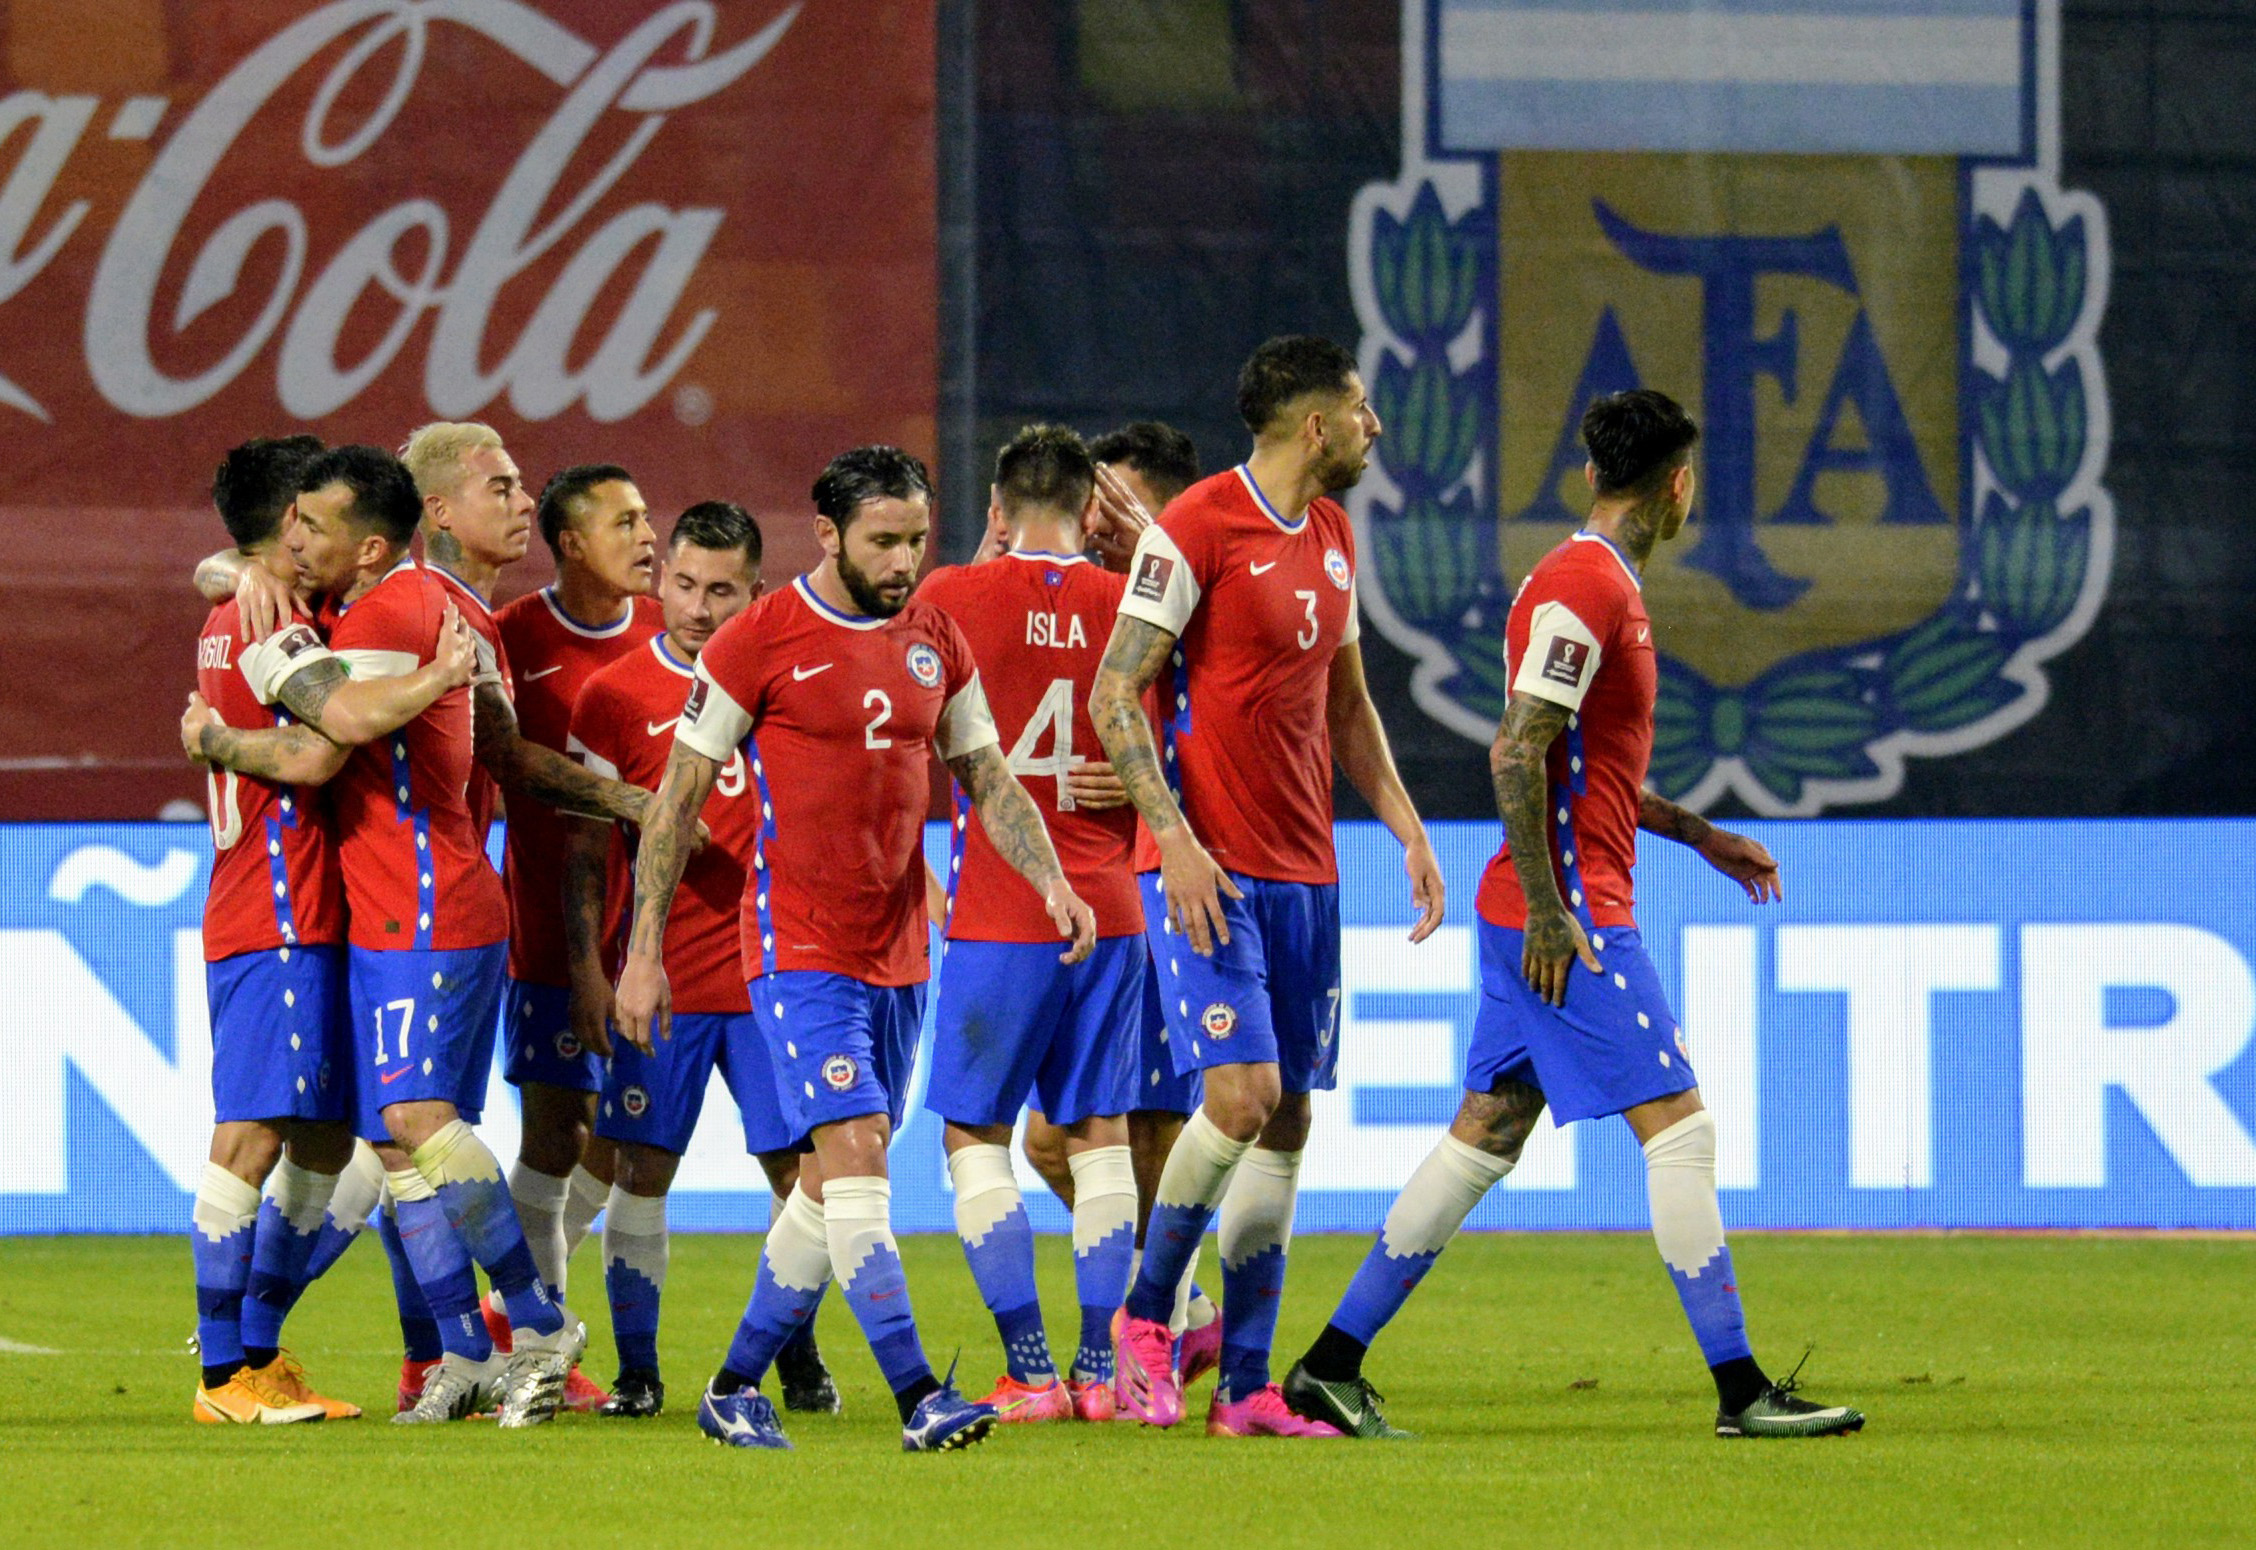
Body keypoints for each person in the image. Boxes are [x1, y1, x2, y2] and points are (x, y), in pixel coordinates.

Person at [1281, 390, 1866, 1441]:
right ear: (1676, 486)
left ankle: (1328, 1364)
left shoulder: (1596, 585)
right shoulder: (1586, 588)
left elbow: (1578, 766)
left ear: (1596, 472)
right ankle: (1742, 1391)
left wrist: (1700, 834)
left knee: (1488, 1132)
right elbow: (1515, 748)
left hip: (1540, 905)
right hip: (1567, 915)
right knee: (1681, 1129)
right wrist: (1556, 915)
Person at [613, 445, 1096, 1453]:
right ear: (827, 534)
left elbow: (988, 775)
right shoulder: (759, 640)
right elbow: (677, 803)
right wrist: (643, 949)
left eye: (917, 536)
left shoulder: (936, 634)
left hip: (901, 951)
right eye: (884, 539)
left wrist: (1051, 876)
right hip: (799, 947)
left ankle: (735, 1382)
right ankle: (920, 1391)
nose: (905, 557)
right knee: (859, 1152)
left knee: (832, 1182)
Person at [184, 445, 582, 1428]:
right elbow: (235, 582)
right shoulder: (313, 606)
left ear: (365, 545)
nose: (295, 543)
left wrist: (211, 736)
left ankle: (534, 1324)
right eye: (288, 526)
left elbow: (333, 737)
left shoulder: (395, 611)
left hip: (419, 909)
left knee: (408, 1126)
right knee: (382, 1138)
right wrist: (242, 571)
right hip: (370, 913)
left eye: (312, 528)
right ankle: (455, 1350)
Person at [1091, 336, 1444, 1438]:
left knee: (1286, 1118)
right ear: (1315, 425)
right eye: (1361, 406)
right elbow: (1114, 694)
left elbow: (1346, 702)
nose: (1376, 424)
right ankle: (1146, 1319)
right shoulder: (1195, 527)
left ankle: (1244, 1386)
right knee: (1238, 1096)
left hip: (1308, 869)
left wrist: (1404, 820)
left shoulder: (1334, 536)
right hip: (1209, 867)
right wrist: (1174, 839)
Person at [561, 500, 836, 1419]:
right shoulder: (612, 694)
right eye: (683, 584)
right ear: (661, 580)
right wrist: (595, 971)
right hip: (663, 981)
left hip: (775, 975)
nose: (699, 606)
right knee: (640, 1166)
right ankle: (639, 1371)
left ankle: (793, 1352)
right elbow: (583, 851)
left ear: (756, 590)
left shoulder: (795, 682)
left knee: (803, 1176)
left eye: (722, 589)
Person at [918, 426, 1145, 1423]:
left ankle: (1030, 1366)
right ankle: (1103, 1372)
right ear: (1093, 511)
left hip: (1001, 910)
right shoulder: (1129, 604)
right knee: (1100, 1136)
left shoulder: (951, 601)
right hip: (1113, 904)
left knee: (975, 1136)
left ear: (998, 509)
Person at [1019, 420, 1226, 1379]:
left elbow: (1236, 729)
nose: (1099, 529)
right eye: (1096, 511)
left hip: (1166, 890)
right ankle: (1179, 1311)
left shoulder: (1205, 596)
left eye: (1121, 512)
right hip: (1094, 893)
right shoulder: (1093, 603)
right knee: (1055, 1141)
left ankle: (1148, 1332)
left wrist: (1153, 787)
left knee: (1145, 1132)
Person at [487, 464, 665, 1395]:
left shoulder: (669, 636)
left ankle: (525, 1317)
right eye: (625, 520)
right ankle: (535, 1343)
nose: (647, 535)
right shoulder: (514, 638)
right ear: (568, 541)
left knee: (632, 1134)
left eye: (647, 517)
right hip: (552, 935)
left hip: (660, 936)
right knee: (555, 1135)